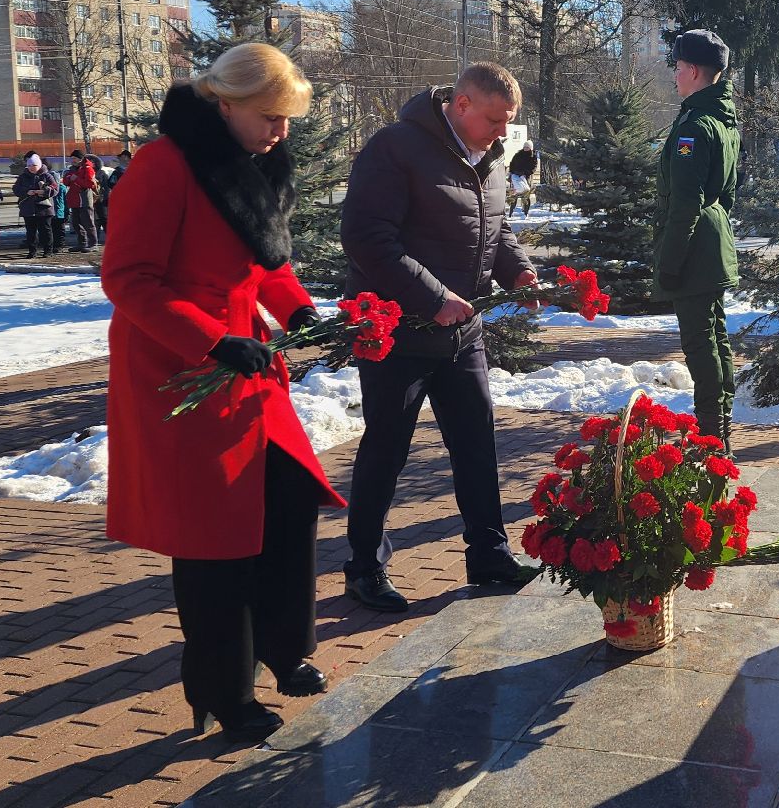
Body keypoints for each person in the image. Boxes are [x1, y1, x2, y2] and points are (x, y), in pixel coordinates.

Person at [101, 42, 344, 745]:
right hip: (183, 374)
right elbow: (129, 279)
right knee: (213, 545)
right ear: (225, 103)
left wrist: (299, 311)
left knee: (289, 503)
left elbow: (265, 265)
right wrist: (211, 340)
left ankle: (282, 648)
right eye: (270, 116)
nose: (282, 131)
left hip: (247, 369)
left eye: (288, 118)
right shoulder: (164, 165)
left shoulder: (257, 161)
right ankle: (223, 693)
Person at [339, 62, 540, 612]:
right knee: (386, 450)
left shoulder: (491, 158)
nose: (504, 132)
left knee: (476, 444)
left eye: (509, 122)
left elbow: (492, 232)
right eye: (495, 119)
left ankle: (489, 555)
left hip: (462, 331)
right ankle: (364, 569)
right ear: (462, 105)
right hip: (398, 332)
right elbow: (365, 236)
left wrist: (518, 271)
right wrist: (432, 298)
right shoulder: (396, 148)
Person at [653, 29, 740, 447]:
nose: (674, 75)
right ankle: (720, 432)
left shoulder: (695, 126)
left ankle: (711, 442)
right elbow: (730, 193)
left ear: (691, 70)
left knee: (701, 345)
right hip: (715, 242)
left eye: (677, 67)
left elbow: (684, 203)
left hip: (694, 250)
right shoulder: (724, 120)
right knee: (716, 339)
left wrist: (670, 262)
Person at [13, 154, 59, 258]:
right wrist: (26, 192)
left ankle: (48, 251)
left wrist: (43, 191)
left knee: (46, 231)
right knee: (30, 232)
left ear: (39, 165)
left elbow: (55, 189)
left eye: (33, 166)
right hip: (28, 208)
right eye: (29, 166)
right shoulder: (23, 176)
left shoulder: (47, 175)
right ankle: (32, 251)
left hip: (44, 208)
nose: (31, 168)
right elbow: (16, 189)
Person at [64, 150, 99, 252]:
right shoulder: (72, 169)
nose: (72, 161)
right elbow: (66, 181)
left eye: (74, 158)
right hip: (74, 199)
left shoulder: (88, 169)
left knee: (88, 222)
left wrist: (75, 179)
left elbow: (90, 184)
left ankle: (93, 243)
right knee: (76, 223)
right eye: (72, 159)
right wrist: (71, 178)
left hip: (84, 199)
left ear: (80, 159)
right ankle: (82, 243)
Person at [507, 140, 537, 217]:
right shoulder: (518, 154)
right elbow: (512, 163)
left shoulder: (533, 156)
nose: (525, 148)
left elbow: (533, 168)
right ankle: (511, 212)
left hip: (525, 177)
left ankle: (525, 213)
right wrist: (511, 172)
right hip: (515, 176)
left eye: (527, 147)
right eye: (524, 147)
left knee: (526, 195)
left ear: (530, 148)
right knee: (514, 195)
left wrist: (525, 173)